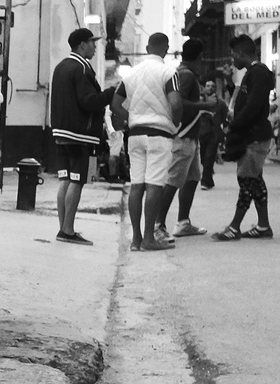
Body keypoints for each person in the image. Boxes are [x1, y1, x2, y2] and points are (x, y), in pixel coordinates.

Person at [47, 27, 115, 244]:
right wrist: (109, 94)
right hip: (79, 134)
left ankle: (63, 229)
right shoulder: (82, 69)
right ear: (82, 45)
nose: (95, 47)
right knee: (77, 180)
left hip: (60, 131)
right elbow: (88, 101)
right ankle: (67, 230)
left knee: (65, 179)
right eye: (92, 43)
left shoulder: (61, 67)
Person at [114, 32, 180, 251]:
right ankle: (149, 239)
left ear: (147, 47)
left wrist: (130, 118)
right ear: (166, 48)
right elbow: (176, 103)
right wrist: (175, 122)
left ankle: (136, 240)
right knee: (154, 185)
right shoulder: (168, 72)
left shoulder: (131, 73)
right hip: (159, 135)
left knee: (137, 185)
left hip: (135, 135)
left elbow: (115, 104)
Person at [211, 33, 274, 240]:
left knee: (246, 181)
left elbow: (253, 106)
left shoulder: (258, 73)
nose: (232, 60)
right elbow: (246, 100)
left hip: (254, 136)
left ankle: (234, 227)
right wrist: (230, 83)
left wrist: (234, 127)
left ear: (240, 53)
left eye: (233, 56)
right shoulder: (253, 73)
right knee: (254, 180)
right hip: (253, 134)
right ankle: (263, 226)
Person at [167, 39, 215, 237]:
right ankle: (158, 224)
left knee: (193, 178)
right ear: (200, 57)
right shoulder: (186, 75)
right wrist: (204, 106)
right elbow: (178, 103)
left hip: (190, 136)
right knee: (173, 181)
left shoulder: (185, 74)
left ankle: (183, 222)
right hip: (184, 135)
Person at [198, 78, 226, 189]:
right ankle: (209, 180)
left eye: (212, 86)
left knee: (209, 158)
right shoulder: (199, 102)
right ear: (204, 88)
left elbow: (225, 118)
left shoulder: (221, 104)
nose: (210, 88)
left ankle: (205, 181)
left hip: (213, 134)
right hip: (201, 134)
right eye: (208, 86)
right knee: (203, 158)